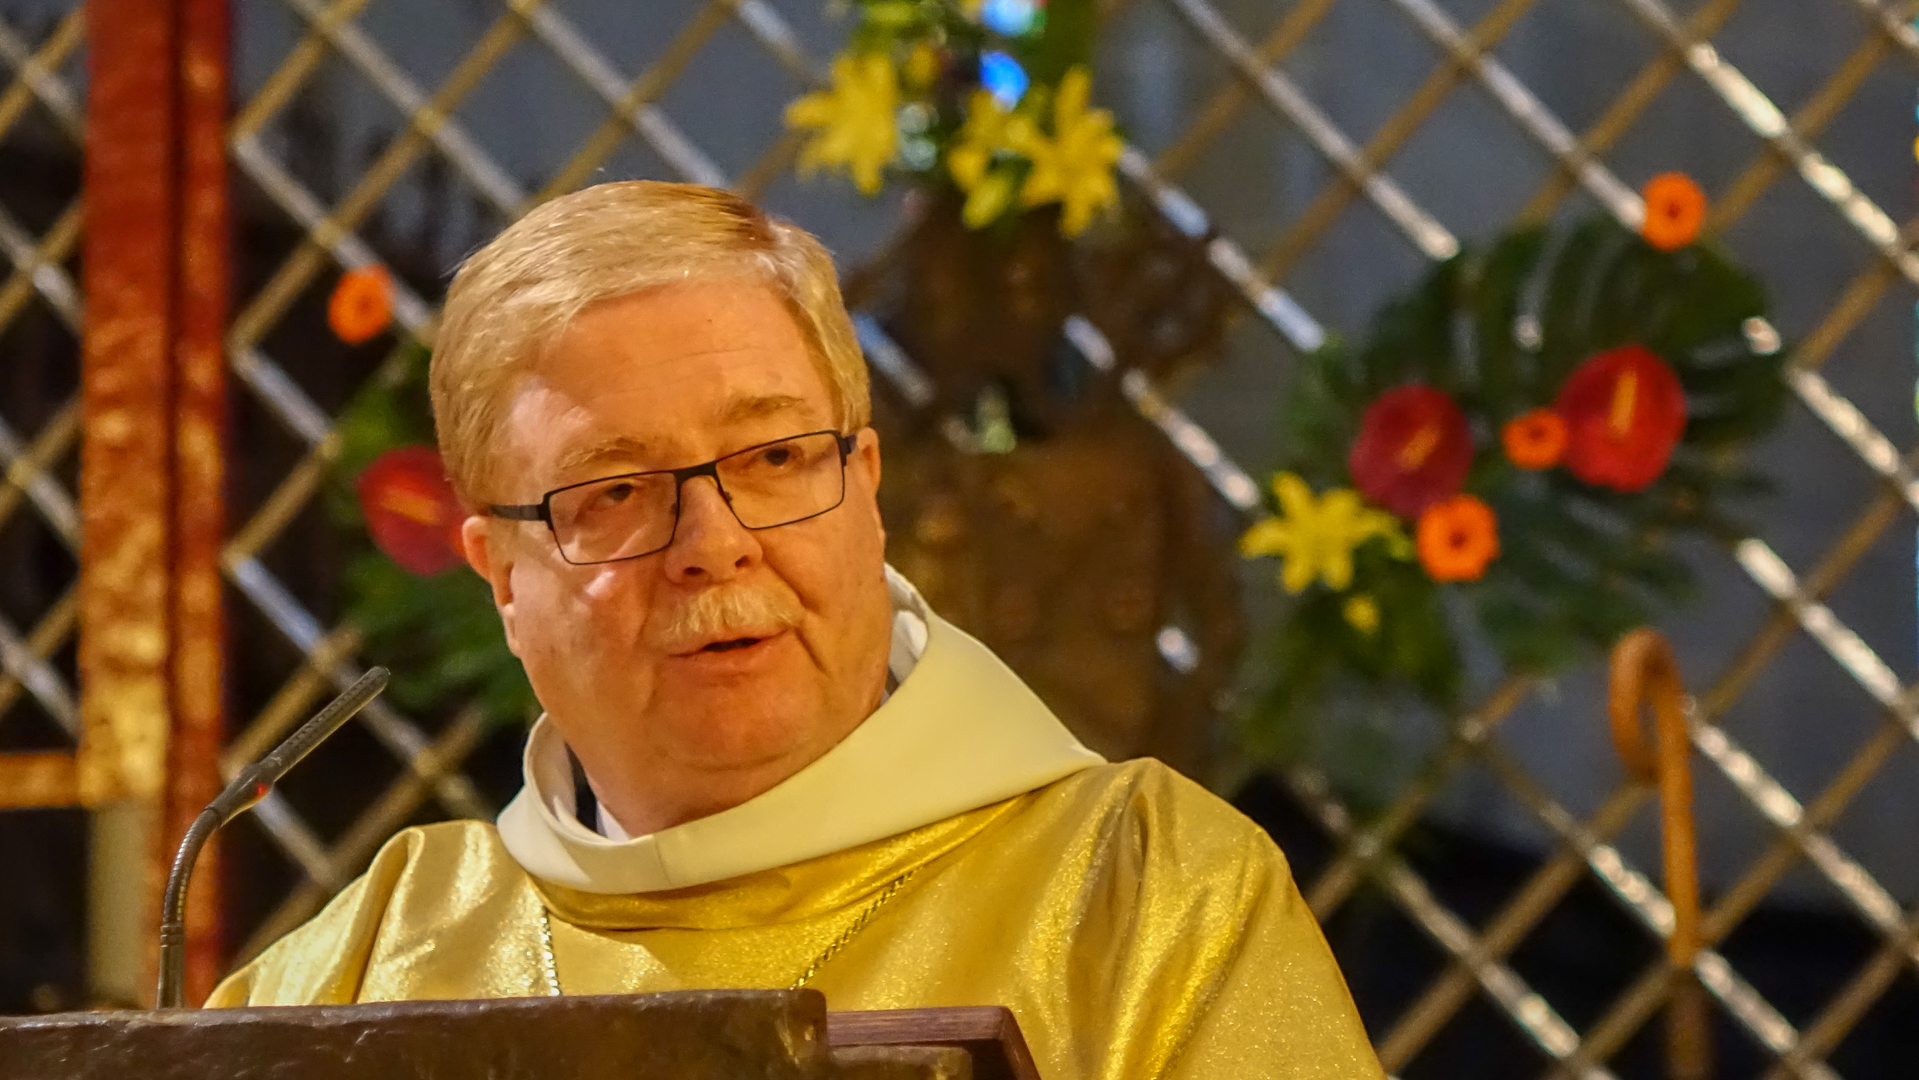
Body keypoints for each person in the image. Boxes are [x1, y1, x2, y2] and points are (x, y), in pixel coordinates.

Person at [210, 181, 1385, 1080]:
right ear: (501, 574)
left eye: (773, 460)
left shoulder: (1144, 896)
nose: (711, 543)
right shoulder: (372, 965)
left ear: (865, 487)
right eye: (612, 489)